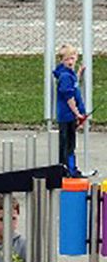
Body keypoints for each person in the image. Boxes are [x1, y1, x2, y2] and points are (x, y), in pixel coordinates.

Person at [53, 44, 86, 178]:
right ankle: (68, 170)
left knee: (69, 143)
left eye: (72, 58)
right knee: (68, 144)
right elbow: (69, 97)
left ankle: (68, 169)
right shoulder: (65, 76)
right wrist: (77, 113)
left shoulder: (69, 73)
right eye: (67, 59)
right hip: (67, 116)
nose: (70, 62)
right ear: (62, 60)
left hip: (69, 115)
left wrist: (79, 73)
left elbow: (74, 84)